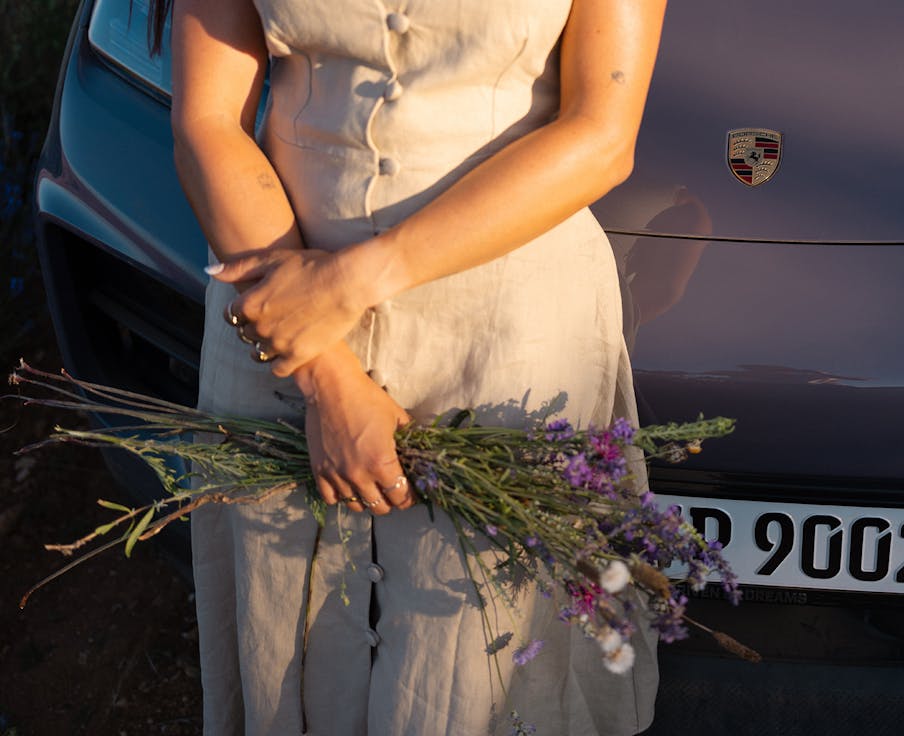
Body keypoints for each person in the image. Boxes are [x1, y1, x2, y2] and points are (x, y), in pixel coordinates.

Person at [160, 0, 667, 733]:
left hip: (506, 339)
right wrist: (324, 375)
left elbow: (601, 135)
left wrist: (353, 282)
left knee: (479, 663)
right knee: (289, 645)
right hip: (277, 317)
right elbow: (207, 123)